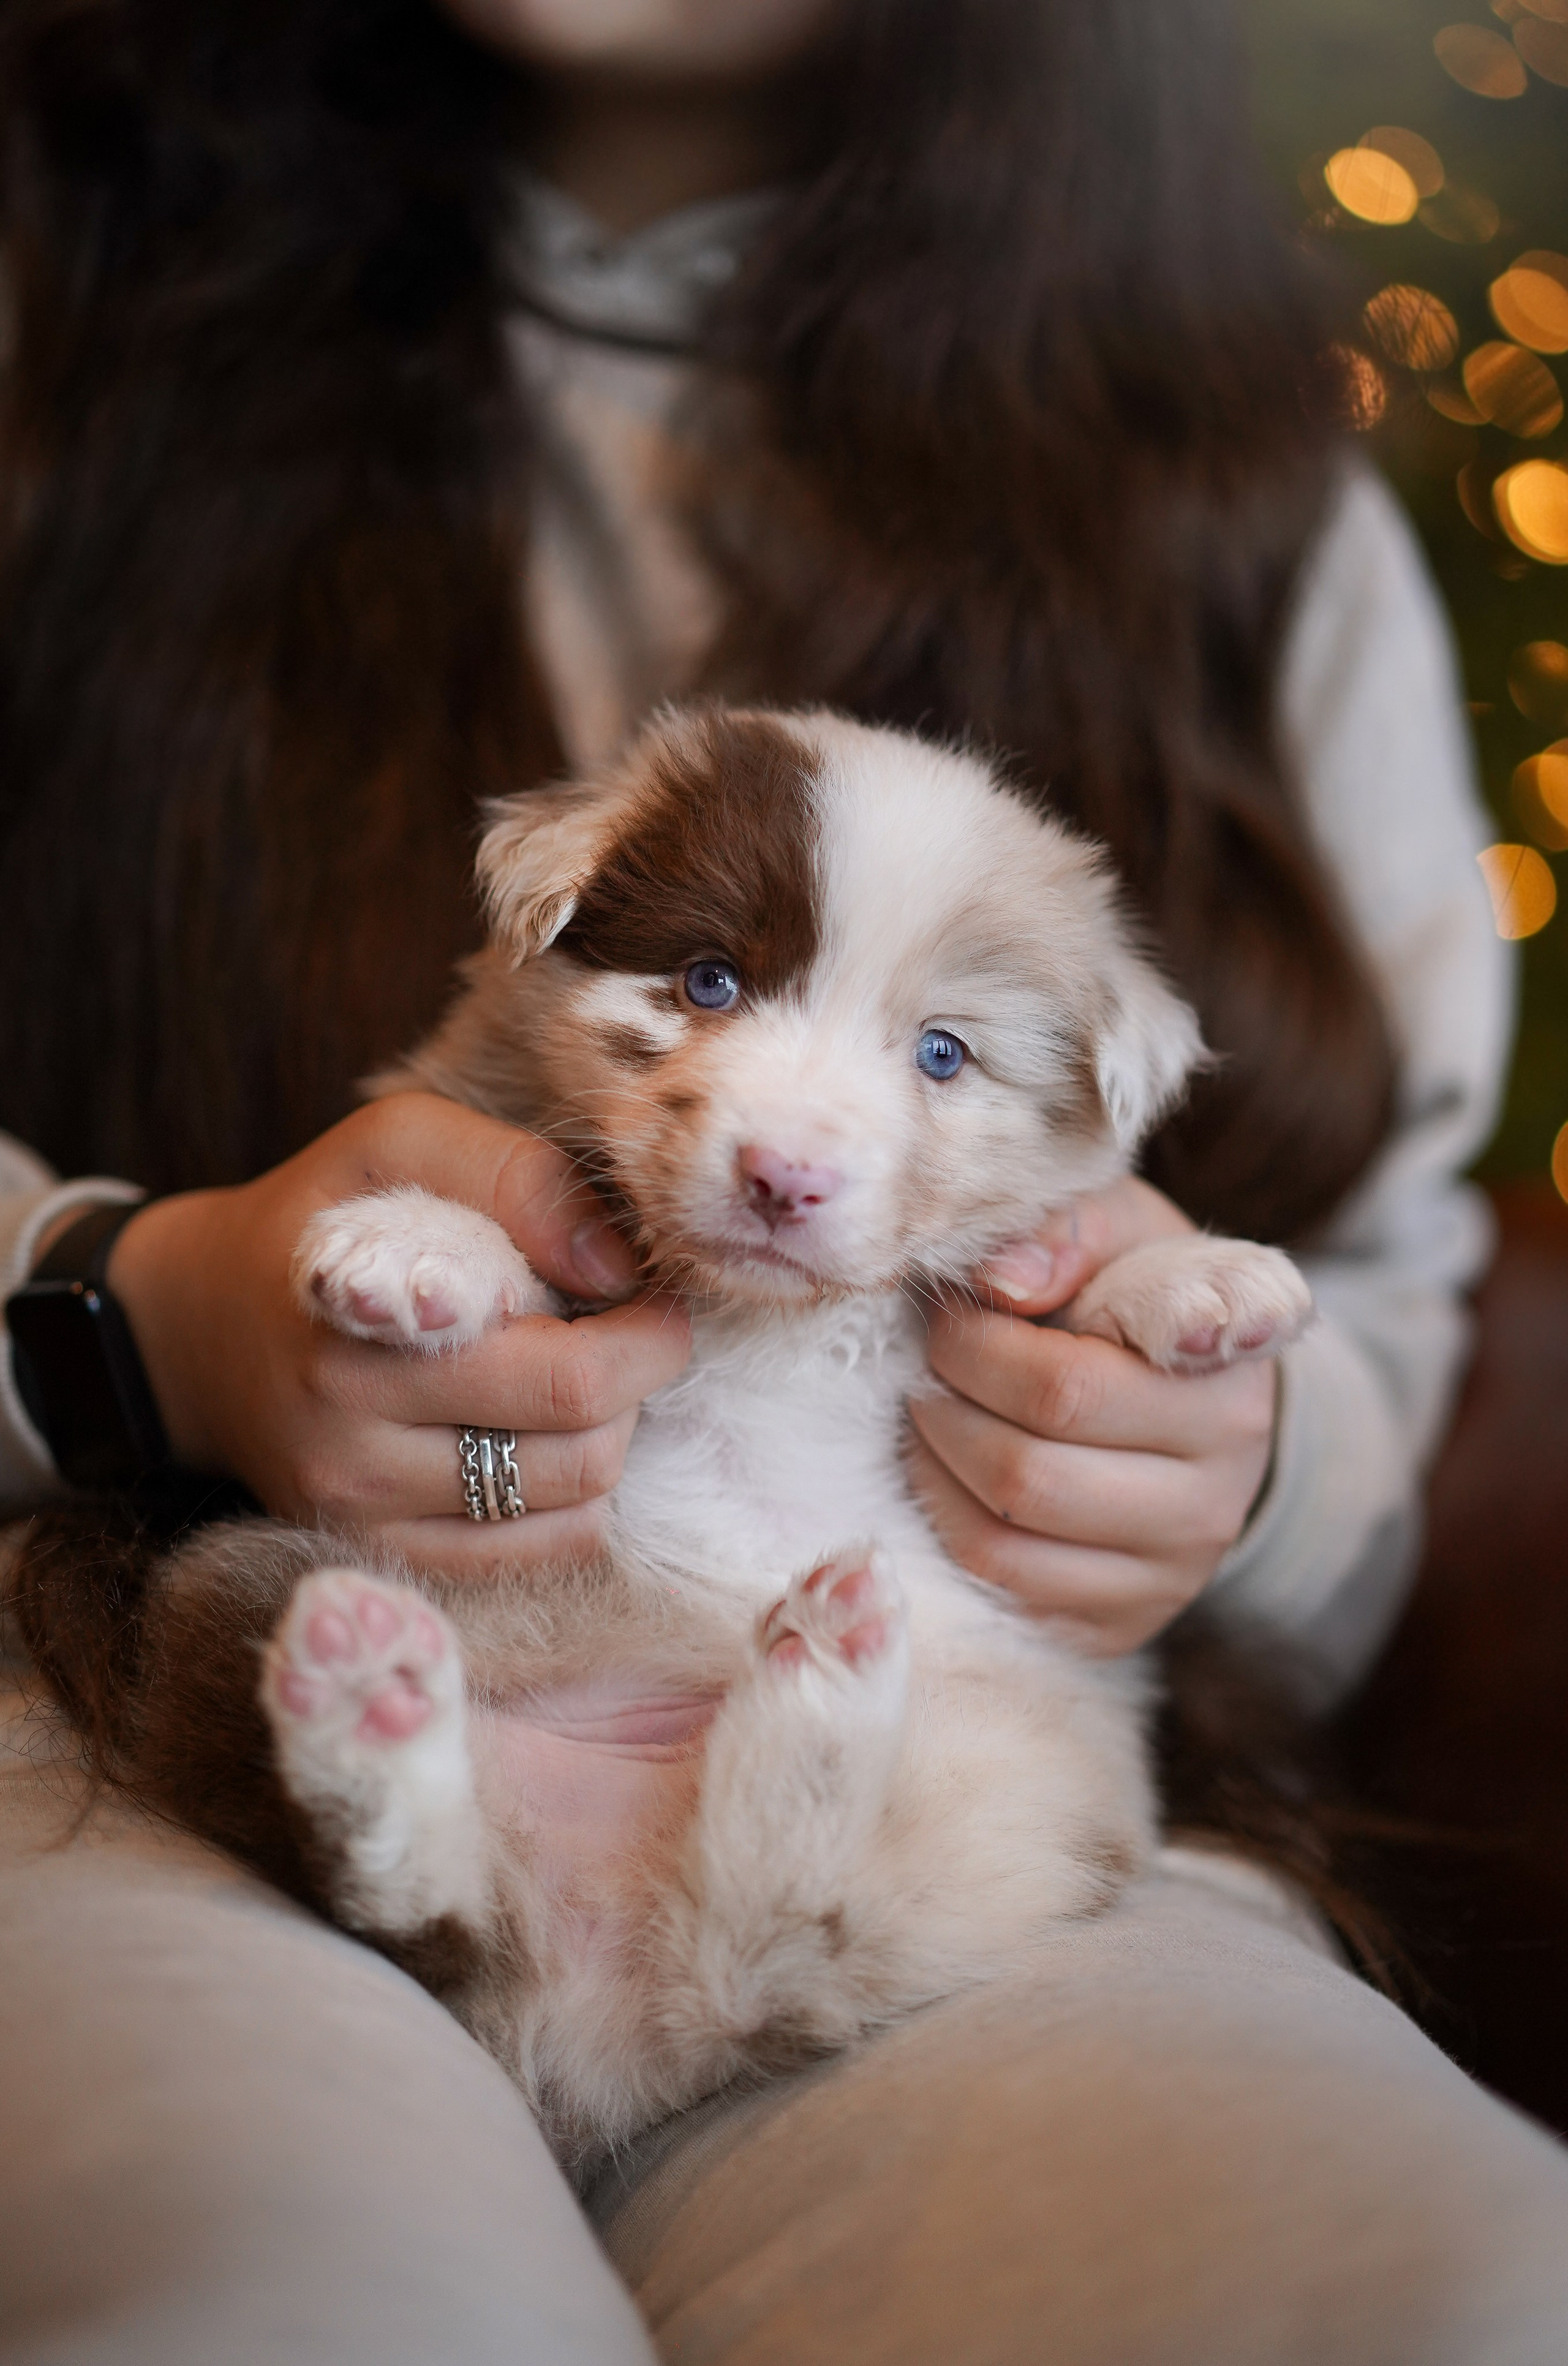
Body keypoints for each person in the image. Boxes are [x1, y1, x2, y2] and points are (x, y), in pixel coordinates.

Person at [1, 2, 1565, 2360]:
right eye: (717, 985)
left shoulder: (1258, 491)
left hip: (917, 1786)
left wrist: (1218, 1472)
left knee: (1454, 2298)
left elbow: (1375, 1299)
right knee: (292, 2309)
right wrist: (117, 1310)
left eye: (931, 1050)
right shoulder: (52, 318)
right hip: (117, 1723)